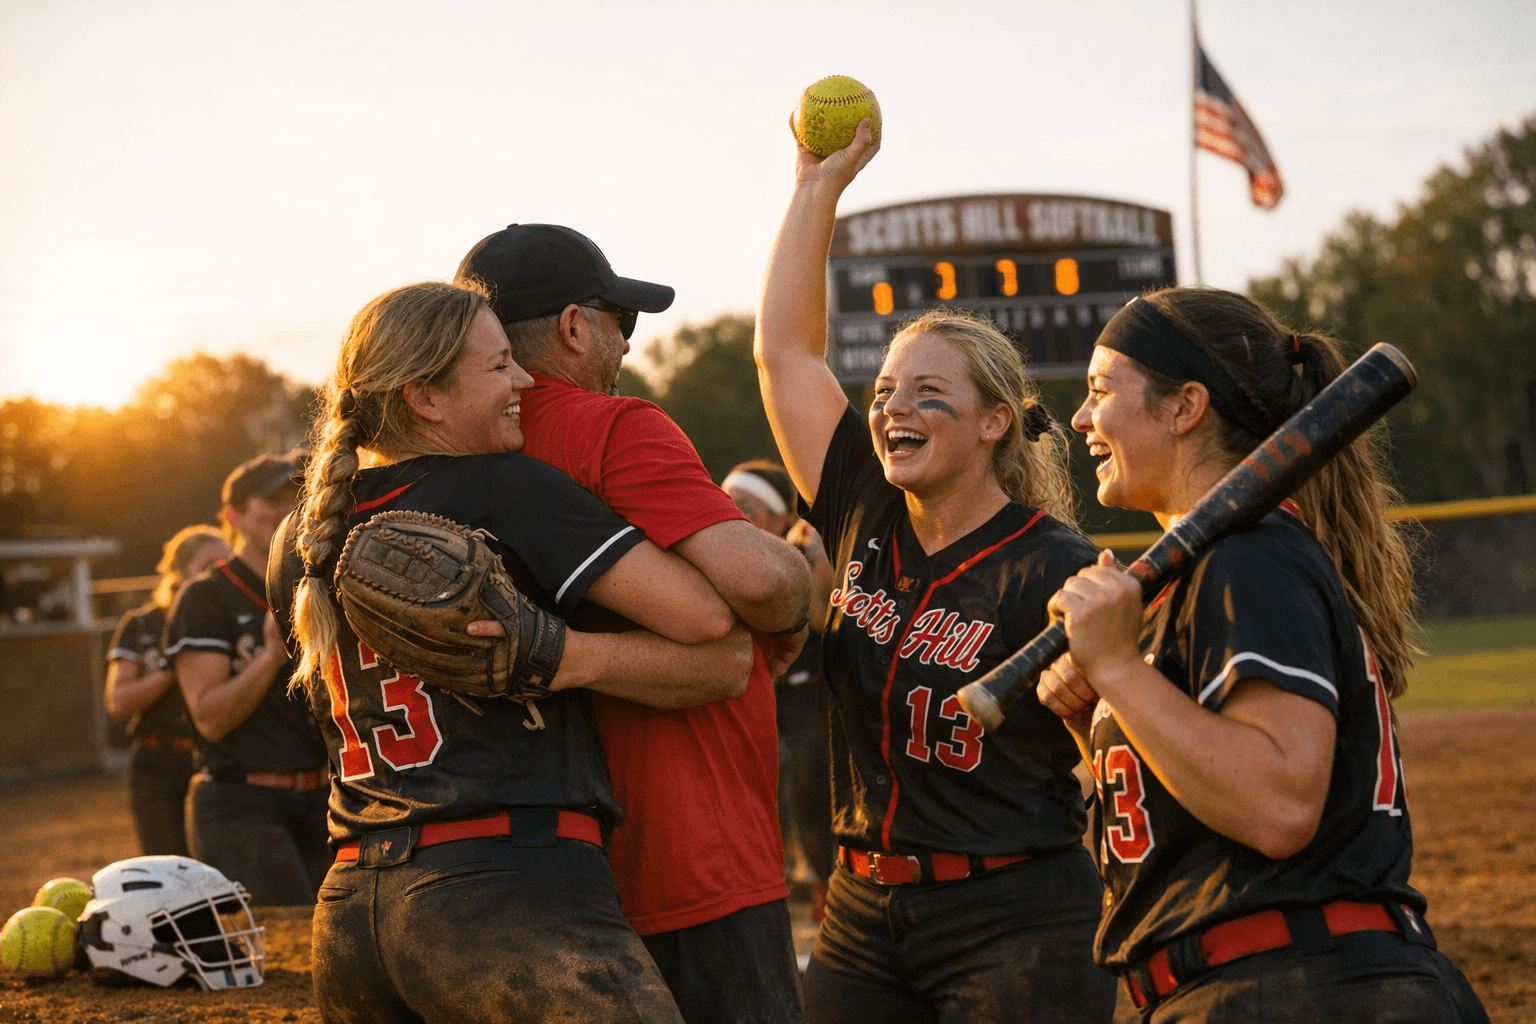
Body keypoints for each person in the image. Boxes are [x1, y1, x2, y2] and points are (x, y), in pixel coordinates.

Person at [268, 280, 757, 1024]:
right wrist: (563, 653)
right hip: (509, 891)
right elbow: (708, 624)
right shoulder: (505, 486)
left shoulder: (298, 537)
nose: (525, 380)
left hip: (349, 914)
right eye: (499, 367)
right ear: (426, 397)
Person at [1037, 287, 1491, 1022]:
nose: (1081, 417)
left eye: (1099, 391)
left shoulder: (1247, 559)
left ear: (1186, 407)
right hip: (1263, 987)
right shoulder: (1205, 570)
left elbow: (1277, 804)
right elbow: (1192, 828)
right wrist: (1100, 709)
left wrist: (1120, 671)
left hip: (1301, 987)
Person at [754, 121, 1118, 1022]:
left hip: (1017, 911)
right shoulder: (862, 509)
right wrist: (814, 194)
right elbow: (787, 355)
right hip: (861, 910)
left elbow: (1117, 752)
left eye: (927, 394)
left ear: (996, 422)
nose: (892, 411)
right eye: (883, 393)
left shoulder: (1053, 566)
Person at [456, 225, 812, 1024]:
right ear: (575, 327)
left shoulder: (436, 457)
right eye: (622, 322)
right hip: (691, 851)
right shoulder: (614, 425)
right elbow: (763, 587)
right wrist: (798, 586)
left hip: (513, 873)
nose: (624, 345)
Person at [164, 455, 329, 905]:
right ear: (233, 515)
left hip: (324, 797)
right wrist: (271, 655)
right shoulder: (206, 595)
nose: (288, 508)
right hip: (243, 802)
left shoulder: (316, 585)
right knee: (289, 937)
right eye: (271, 499)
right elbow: (210, 718)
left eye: (295, 495)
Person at [723, 460, 836, 916]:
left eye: (745, 507)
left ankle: (826, 896)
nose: (732, 515)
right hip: (748, 693)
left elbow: (822, 618)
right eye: (725, 502)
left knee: (811, 788)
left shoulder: (806, 554)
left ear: (779, 518)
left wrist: (822, 558)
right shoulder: (711, 553)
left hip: (805, 692)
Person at [105, 524, 229, 856]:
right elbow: (118, 703)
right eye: (208, 568)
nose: (219, 577)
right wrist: (172, 669)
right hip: (157, 764)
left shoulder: (229, 622)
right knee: (167, 869)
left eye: (226, 567)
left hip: (217, 763)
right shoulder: (142, 623)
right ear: (177, 573)